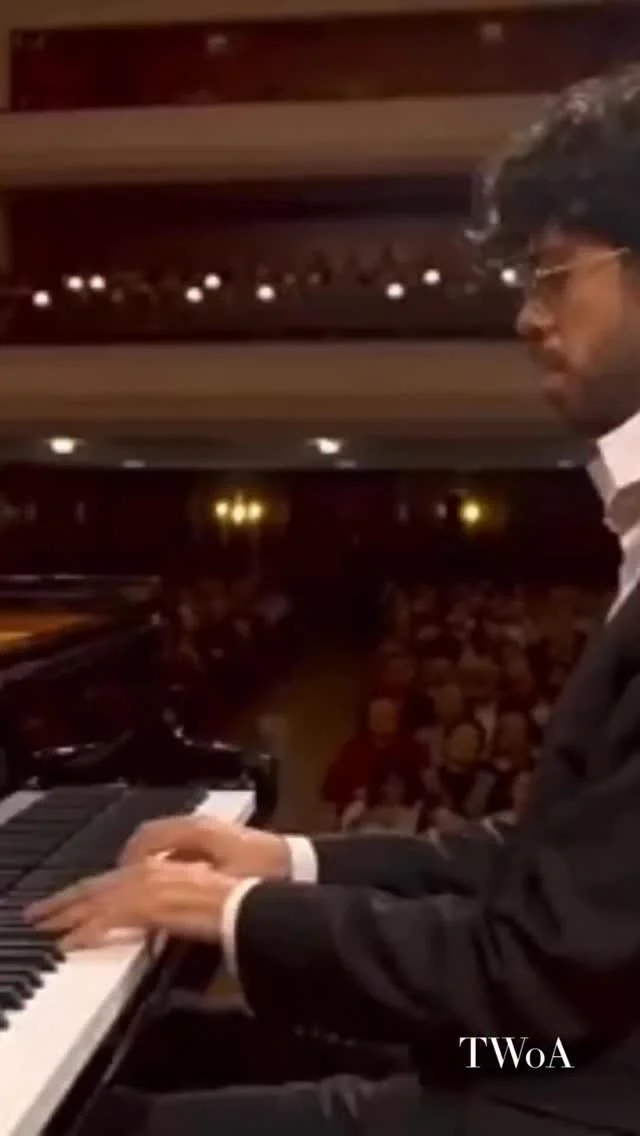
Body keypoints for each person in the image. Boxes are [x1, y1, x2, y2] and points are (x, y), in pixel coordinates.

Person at [26, 64, 640, 1135]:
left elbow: (531, 979)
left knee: (114, 1124)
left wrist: (237, 911)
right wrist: (288, 861)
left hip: (575, 1076)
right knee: (170, 1053)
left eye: (553, 276)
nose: (527, 317)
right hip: (569, 1042)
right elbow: (556, 870)